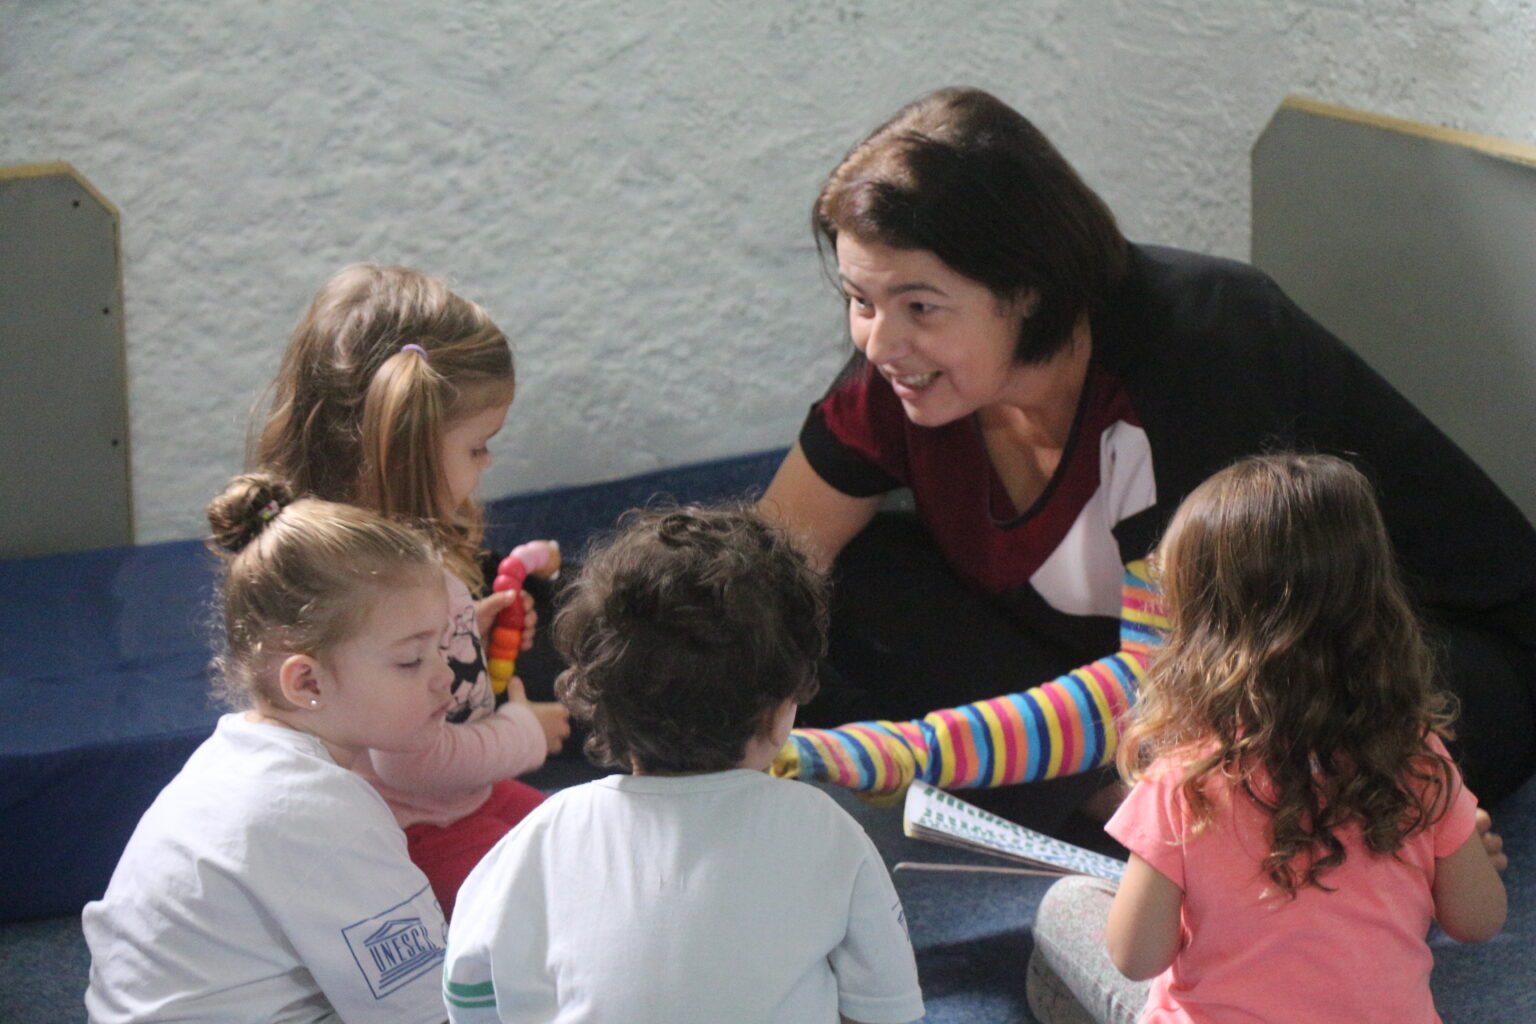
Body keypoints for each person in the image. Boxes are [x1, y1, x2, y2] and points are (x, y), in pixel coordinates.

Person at [759, 86, 1536, 832]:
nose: (881, 344)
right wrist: (695, 715)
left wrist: (878, 752)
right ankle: (1144, 805)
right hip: (1143, 660)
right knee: (837, 588)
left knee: (1295, 744)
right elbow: (762, 570)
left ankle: (1149, 811)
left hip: (1379, 649)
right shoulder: (902, 374)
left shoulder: (1203, 349)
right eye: (861, 300)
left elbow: (1175, 676)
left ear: (1028, 288)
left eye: (920, 307)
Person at [1025, 453, 1506, 1024]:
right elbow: (1479, 921)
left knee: (1066, 907)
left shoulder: (1184, 778)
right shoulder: (1417, 756)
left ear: (1201, 631)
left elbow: (1135, 957)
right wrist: (1453, 853)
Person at [442, 505, 926, 1024]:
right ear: (781, 710)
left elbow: (468, 987)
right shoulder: (825, 827)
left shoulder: (544, 832)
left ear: (598, 699)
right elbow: (886, 1008)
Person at [254, 263, 570, 918]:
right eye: (478, 447)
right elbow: (410, 764)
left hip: (458, 798)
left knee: (580, 843)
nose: (488, 463)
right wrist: (525, 732)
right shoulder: (387, 579)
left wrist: (467, 629)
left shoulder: (362, 555)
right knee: (549, 900)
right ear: (410, 445)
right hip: (410, 830)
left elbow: (389, 669)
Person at [83, 475, 454, 1023]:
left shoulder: (231, 759)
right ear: (307, 682)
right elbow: (426, 1011)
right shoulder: (321, 813)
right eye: (410, 660)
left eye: (443, 646)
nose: (445, 675)